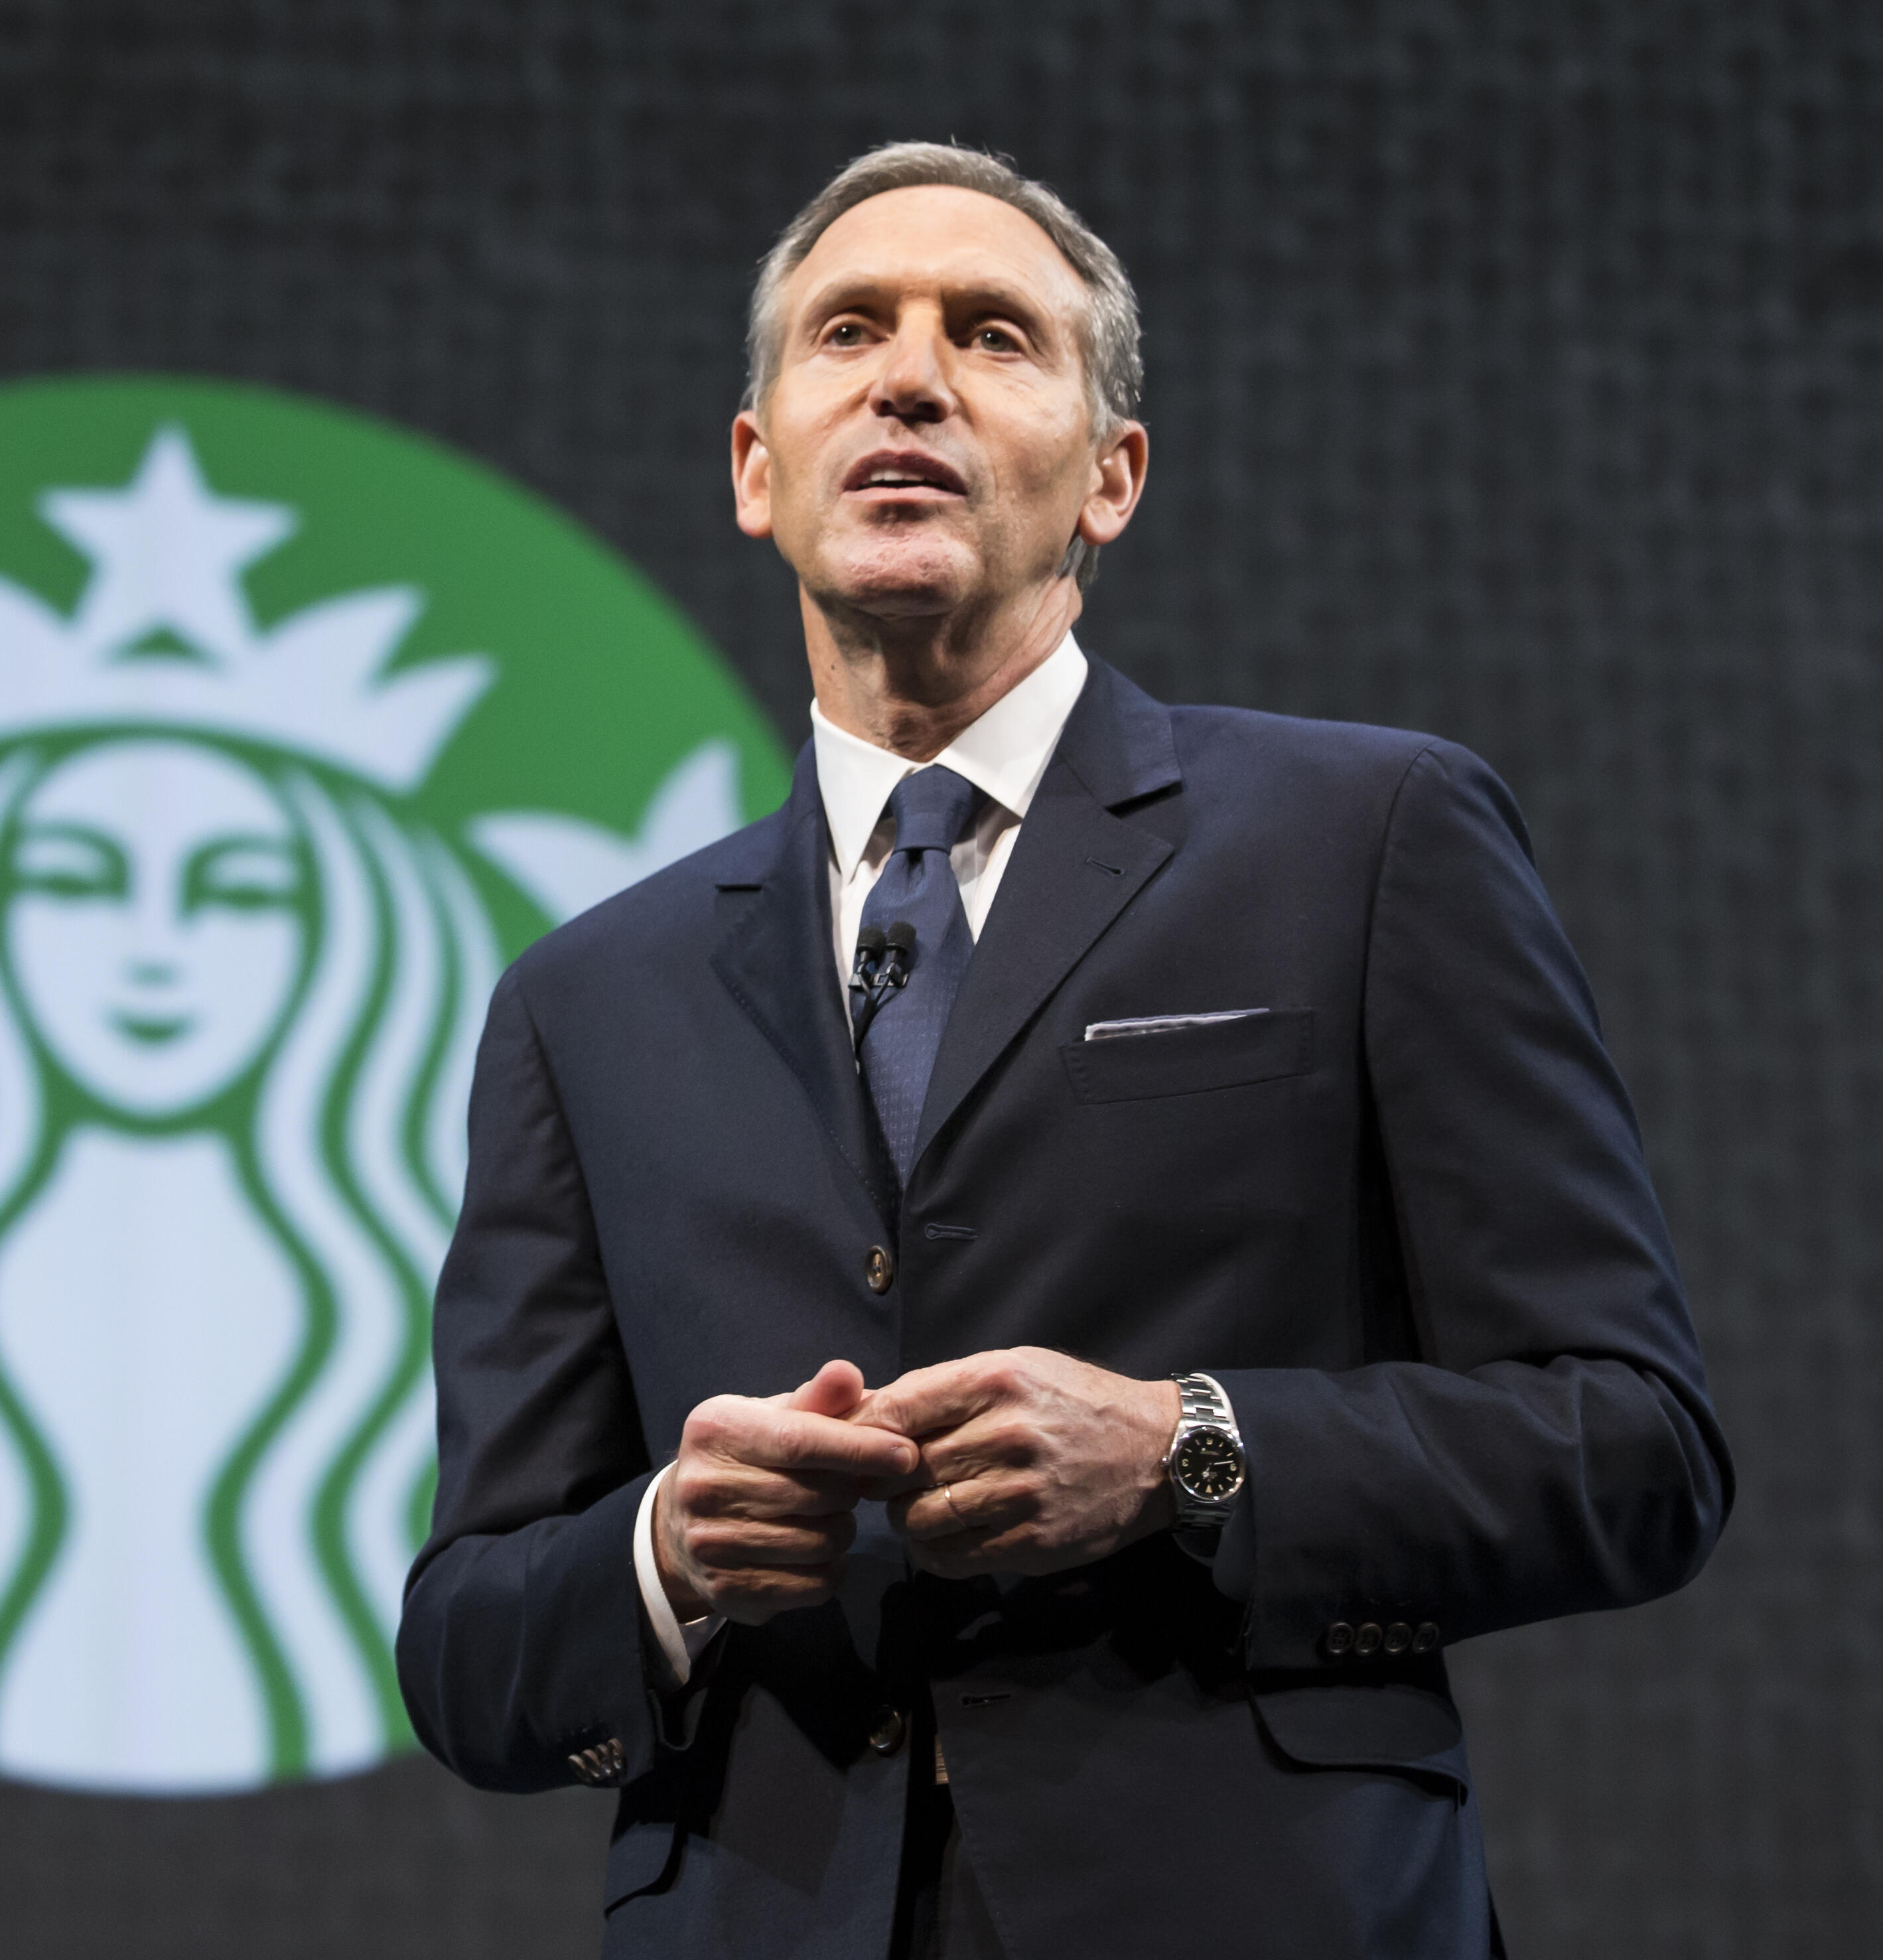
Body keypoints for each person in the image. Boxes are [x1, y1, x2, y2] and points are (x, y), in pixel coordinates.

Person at [395, 141, 1730, 1960]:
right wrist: (671, 1552)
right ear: (753, 465)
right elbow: (473, 1647)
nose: (912, 376)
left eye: (994, 335)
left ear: (1111, 479)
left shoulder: (1368, 839)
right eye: (849, 332)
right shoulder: (589, 999)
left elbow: (1636, 1442)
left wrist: (1191, 1445)